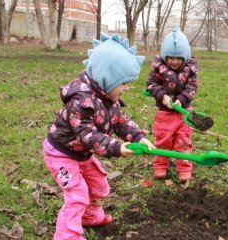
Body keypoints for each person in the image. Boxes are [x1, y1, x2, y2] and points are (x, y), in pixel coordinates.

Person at [43, 33, 155, 240]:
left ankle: (90, 216)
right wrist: (115, 147)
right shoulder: (81, 102)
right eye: (123, 83)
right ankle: (67, 236)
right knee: (77, 195)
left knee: (99, 185)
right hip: (61, 154)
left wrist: (138, 137)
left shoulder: (107, 98)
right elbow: (88, 135)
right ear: (107, 78)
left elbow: (120, 121)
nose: (127, 88)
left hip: (81, 154)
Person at [146, 25, 199, 182]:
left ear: (185, 57)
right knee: (163, 140)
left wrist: (181, 100)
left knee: (183, 141)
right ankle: (160, 166)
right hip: (164, 113)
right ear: (164, 56)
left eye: (179, 58)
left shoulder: (190, 69)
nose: (174, 62)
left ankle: (184, 168)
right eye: (171, 58)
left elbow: (192, 86)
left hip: (184, 113)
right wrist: (162, 96)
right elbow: (150, 84)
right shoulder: (158, 68)